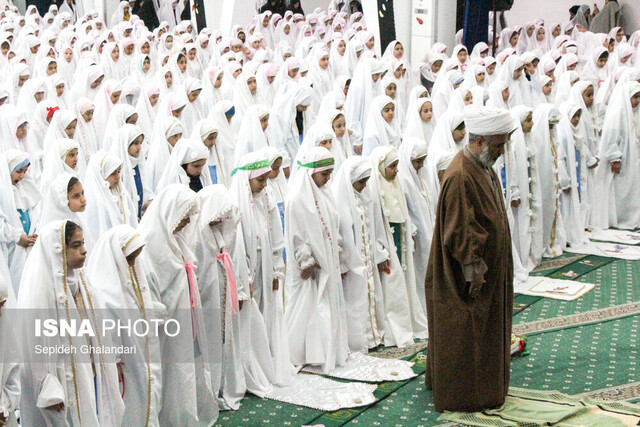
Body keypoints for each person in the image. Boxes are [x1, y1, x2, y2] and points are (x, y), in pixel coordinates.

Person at [425, 105, 516, 412]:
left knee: (482, 332)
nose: (502, 151)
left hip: (488, 272)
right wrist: (474, 272)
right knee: (466, 331)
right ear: (480, 142)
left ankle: (484, 386)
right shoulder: (462, 174)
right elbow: (461, 230)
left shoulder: (482, 165)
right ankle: (467, 395)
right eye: (499, 145)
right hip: (471, 277)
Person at [17, 220, 125, 426]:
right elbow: (35, 346)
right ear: (58, 251)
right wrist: (47, 387)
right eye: (76, 246)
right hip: (63, 380)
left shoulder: (82, 280)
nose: (84, 251)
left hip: (90, 371)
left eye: (83, 244)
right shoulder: (43, 291)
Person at [137, 184, 218, 425]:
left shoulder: (177, 239)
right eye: (182, 217)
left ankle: (184, 414)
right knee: (169, 370)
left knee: (184, 369)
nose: (185, 223)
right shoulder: (150, 242)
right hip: (165, 322)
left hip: (183, 318)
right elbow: (153, 285)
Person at [87, 225, 162, 427]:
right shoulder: (104, 289)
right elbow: (106, 330)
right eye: (129, 258)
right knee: (129, 404)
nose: (132, 263)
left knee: (145, 396)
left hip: (139, 353)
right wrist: (116, 361)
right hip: (122, 362)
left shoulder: (131, 276)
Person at [285, 147, 349, 373]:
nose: (328, 178)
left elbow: (332, 222)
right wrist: (307, 260)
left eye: (330, 172)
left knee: (325, 305)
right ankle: (304, 353)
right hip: (309, 266)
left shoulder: (325, 192)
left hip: (327, 259)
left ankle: (326, 350)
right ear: (311, 173)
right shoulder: (296, 198)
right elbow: (296, 234)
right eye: (324, 173)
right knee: (309, 307)